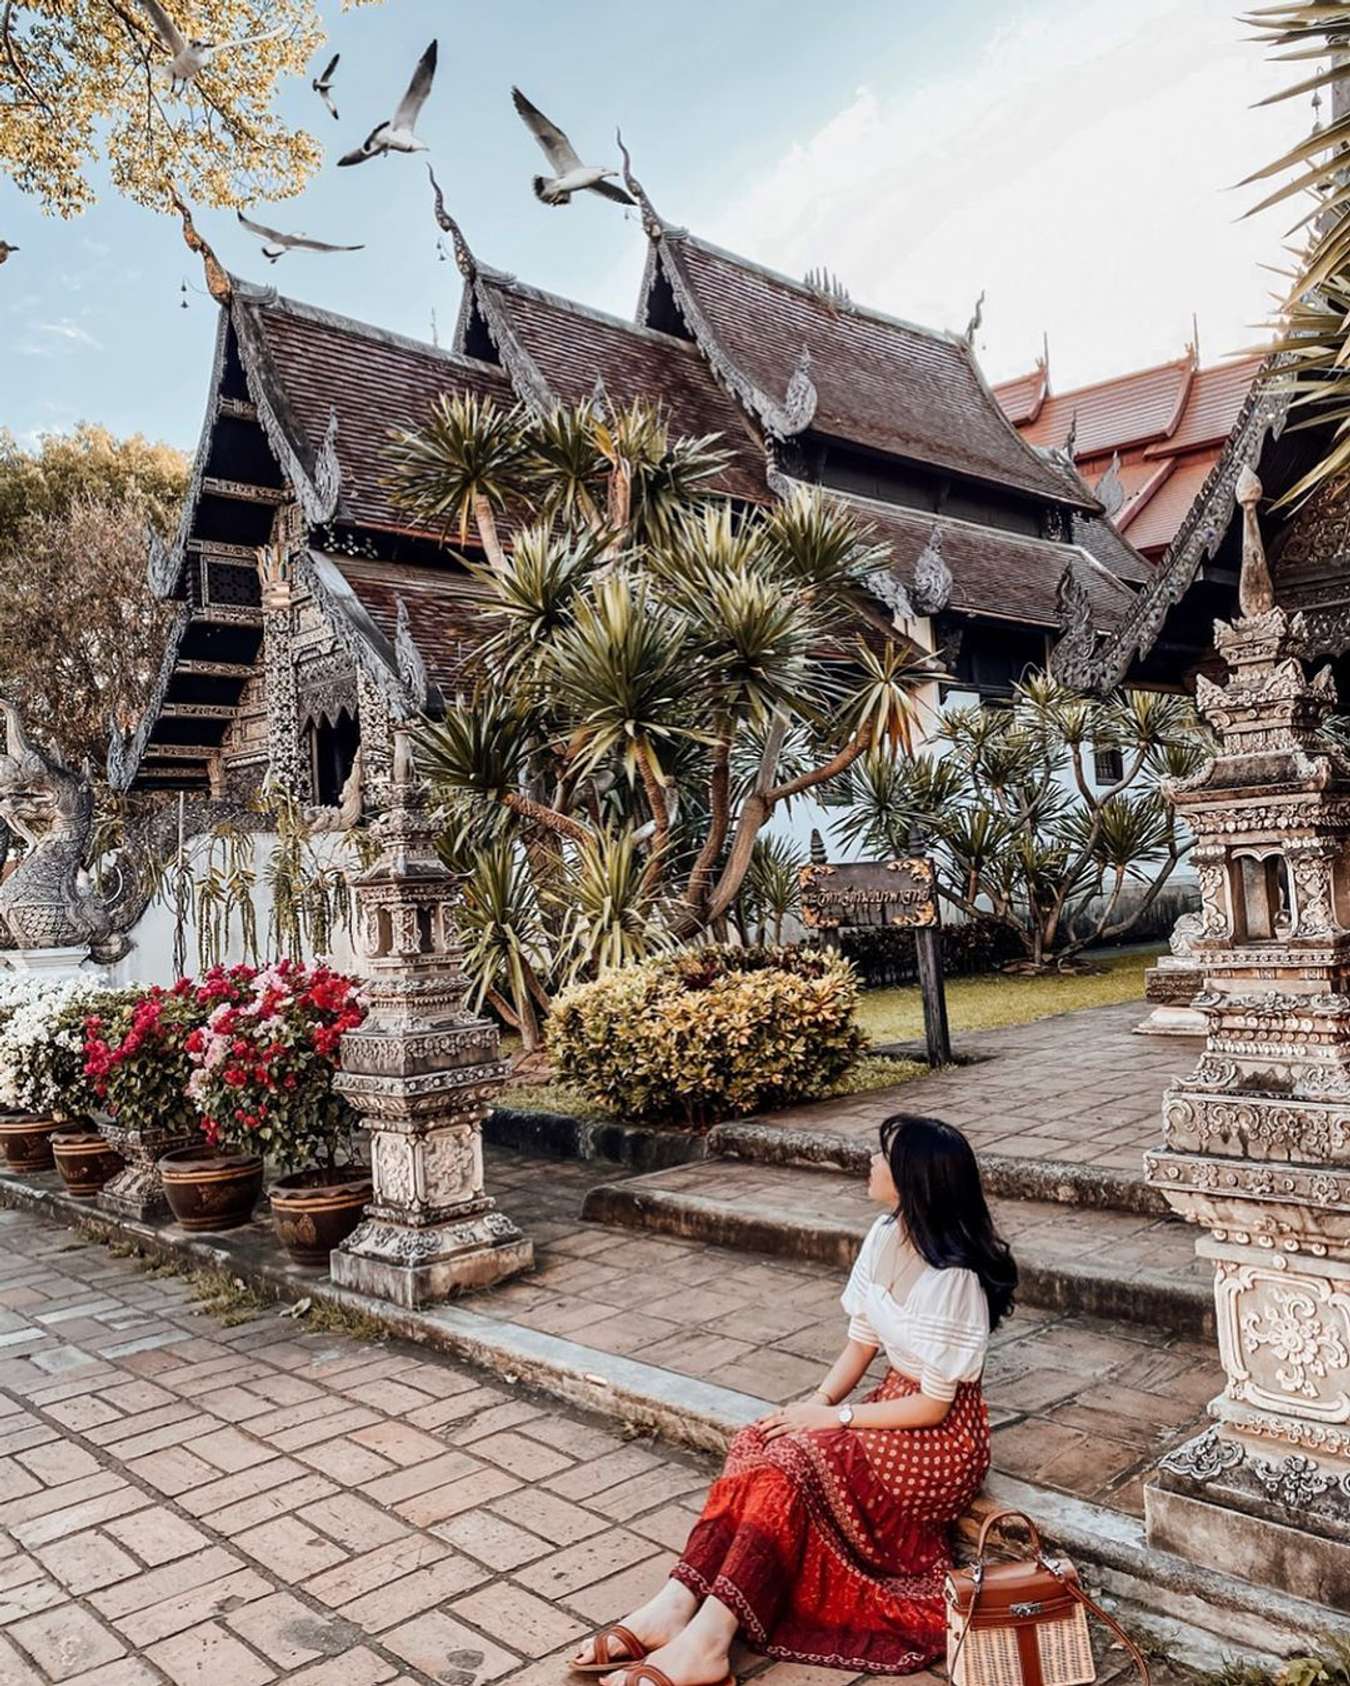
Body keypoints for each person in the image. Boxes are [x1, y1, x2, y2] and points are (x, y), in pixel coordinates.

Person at [571, 1113, 1018, 1685]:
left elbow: (933, 1406)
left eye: (884, 1157)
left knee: (793, 1463)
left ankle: (709, 1641)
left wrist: (833, 1418)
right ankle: (676, 1602)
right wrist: (809, 1407)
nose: (873, 1163)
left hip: (939, 1440)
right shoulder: (885, 1235)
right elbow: (861, 1343)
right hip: (888, 1406)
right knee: (760, 1439)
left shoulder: (952, 1278)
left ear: (913, 1179)